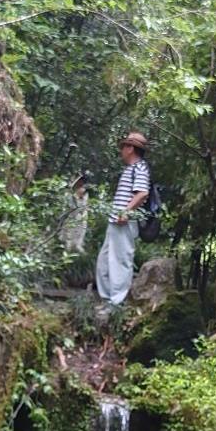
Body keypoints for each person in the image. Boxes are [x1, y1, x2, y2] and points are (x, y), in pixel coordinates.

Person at [95, 131, 150, 305]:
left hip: (124, 222)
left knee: (120, 262)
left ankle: (116, 302)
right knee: (104, 262)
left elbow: (142, 193)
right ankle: (106, 299)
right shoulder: (130, 169)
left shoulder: (140, 168)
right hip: (115, 222)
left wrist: (125, 212)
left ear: (131, 149)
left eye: (124, 146)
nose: (121, 150)